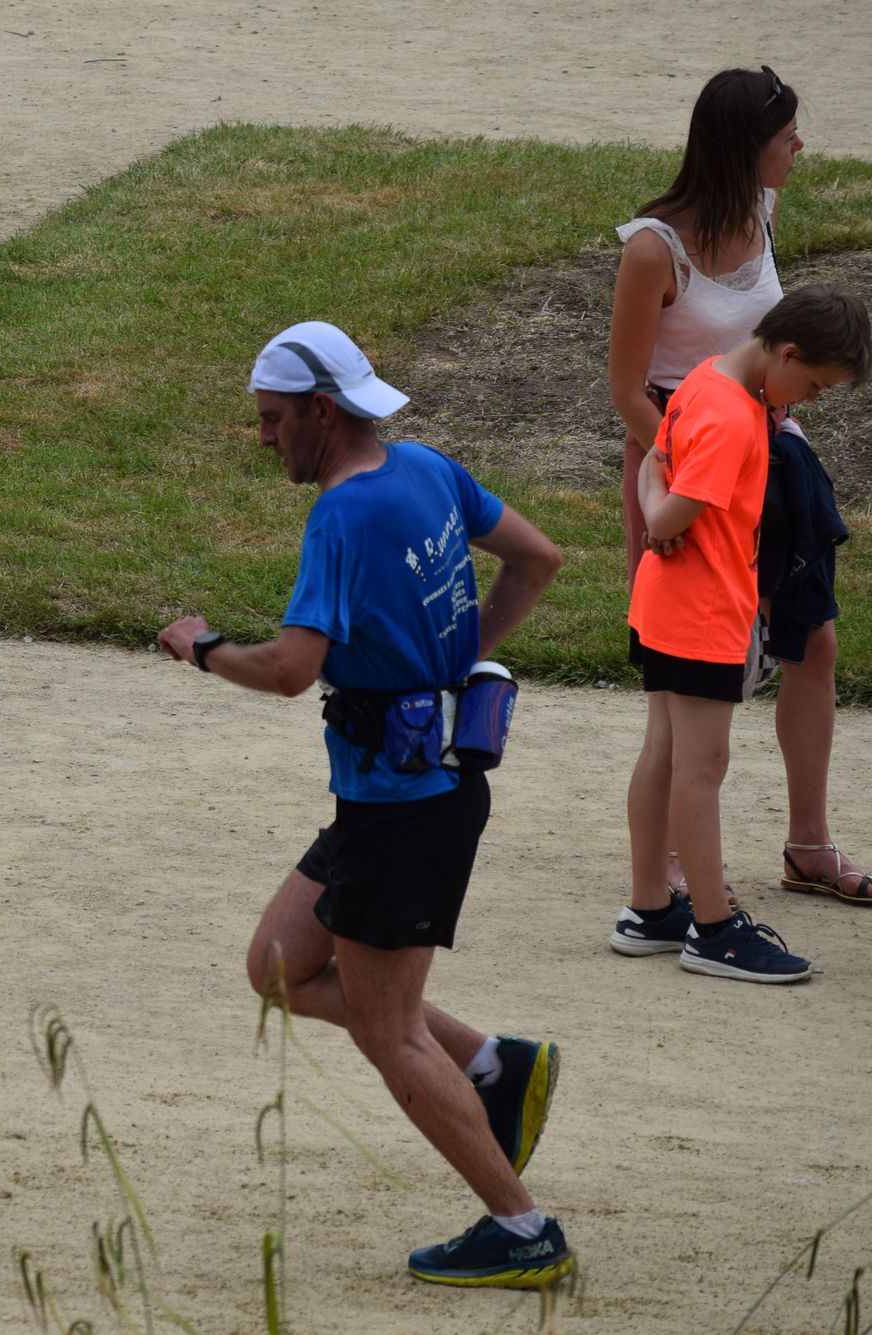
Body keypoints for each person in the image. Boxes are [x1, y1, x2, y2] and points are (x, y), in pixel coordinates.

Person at [157, 322, 569, 1289]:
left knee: (392, 1033)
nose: (264, 438)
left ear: (322, 410)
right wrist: (453, 661)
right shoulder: (424, 467)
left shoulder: (340, 516)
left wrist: (202, 647)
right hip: (400, 794)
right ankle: (496, 1068)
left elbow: (291, 669)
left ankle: (522, 1229)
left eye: (272, 420)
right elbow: (538, 558)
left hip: (404, 810)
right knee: (277, 965)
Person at [608, 66, 869, 906]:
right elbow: (626, 389)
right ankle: (665, 866)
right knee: (676, 682)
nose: (800, 146)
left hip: (770, 458)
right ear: (743, 145)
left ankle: (809, 845)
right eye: (786, 136)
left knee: (813, 643)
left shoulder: (764, 209)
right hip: (683, 462)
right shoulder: (654, 248)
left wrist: (760, 441)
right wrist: (684, 477)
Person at [612, 285, 870, 978]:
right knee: (702, 769)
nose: (809, 400)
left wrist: (656, 486)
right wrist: (654, 499)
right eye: (813, 385)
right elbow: (665, 515)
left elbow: (663, 466)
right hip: (702, 613)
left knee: (664, 752)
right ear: (787, 352)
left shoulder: (703, 378)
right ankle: (713, 930)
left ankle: (648, 908)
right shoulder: (733, 416)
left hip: (664, 603)